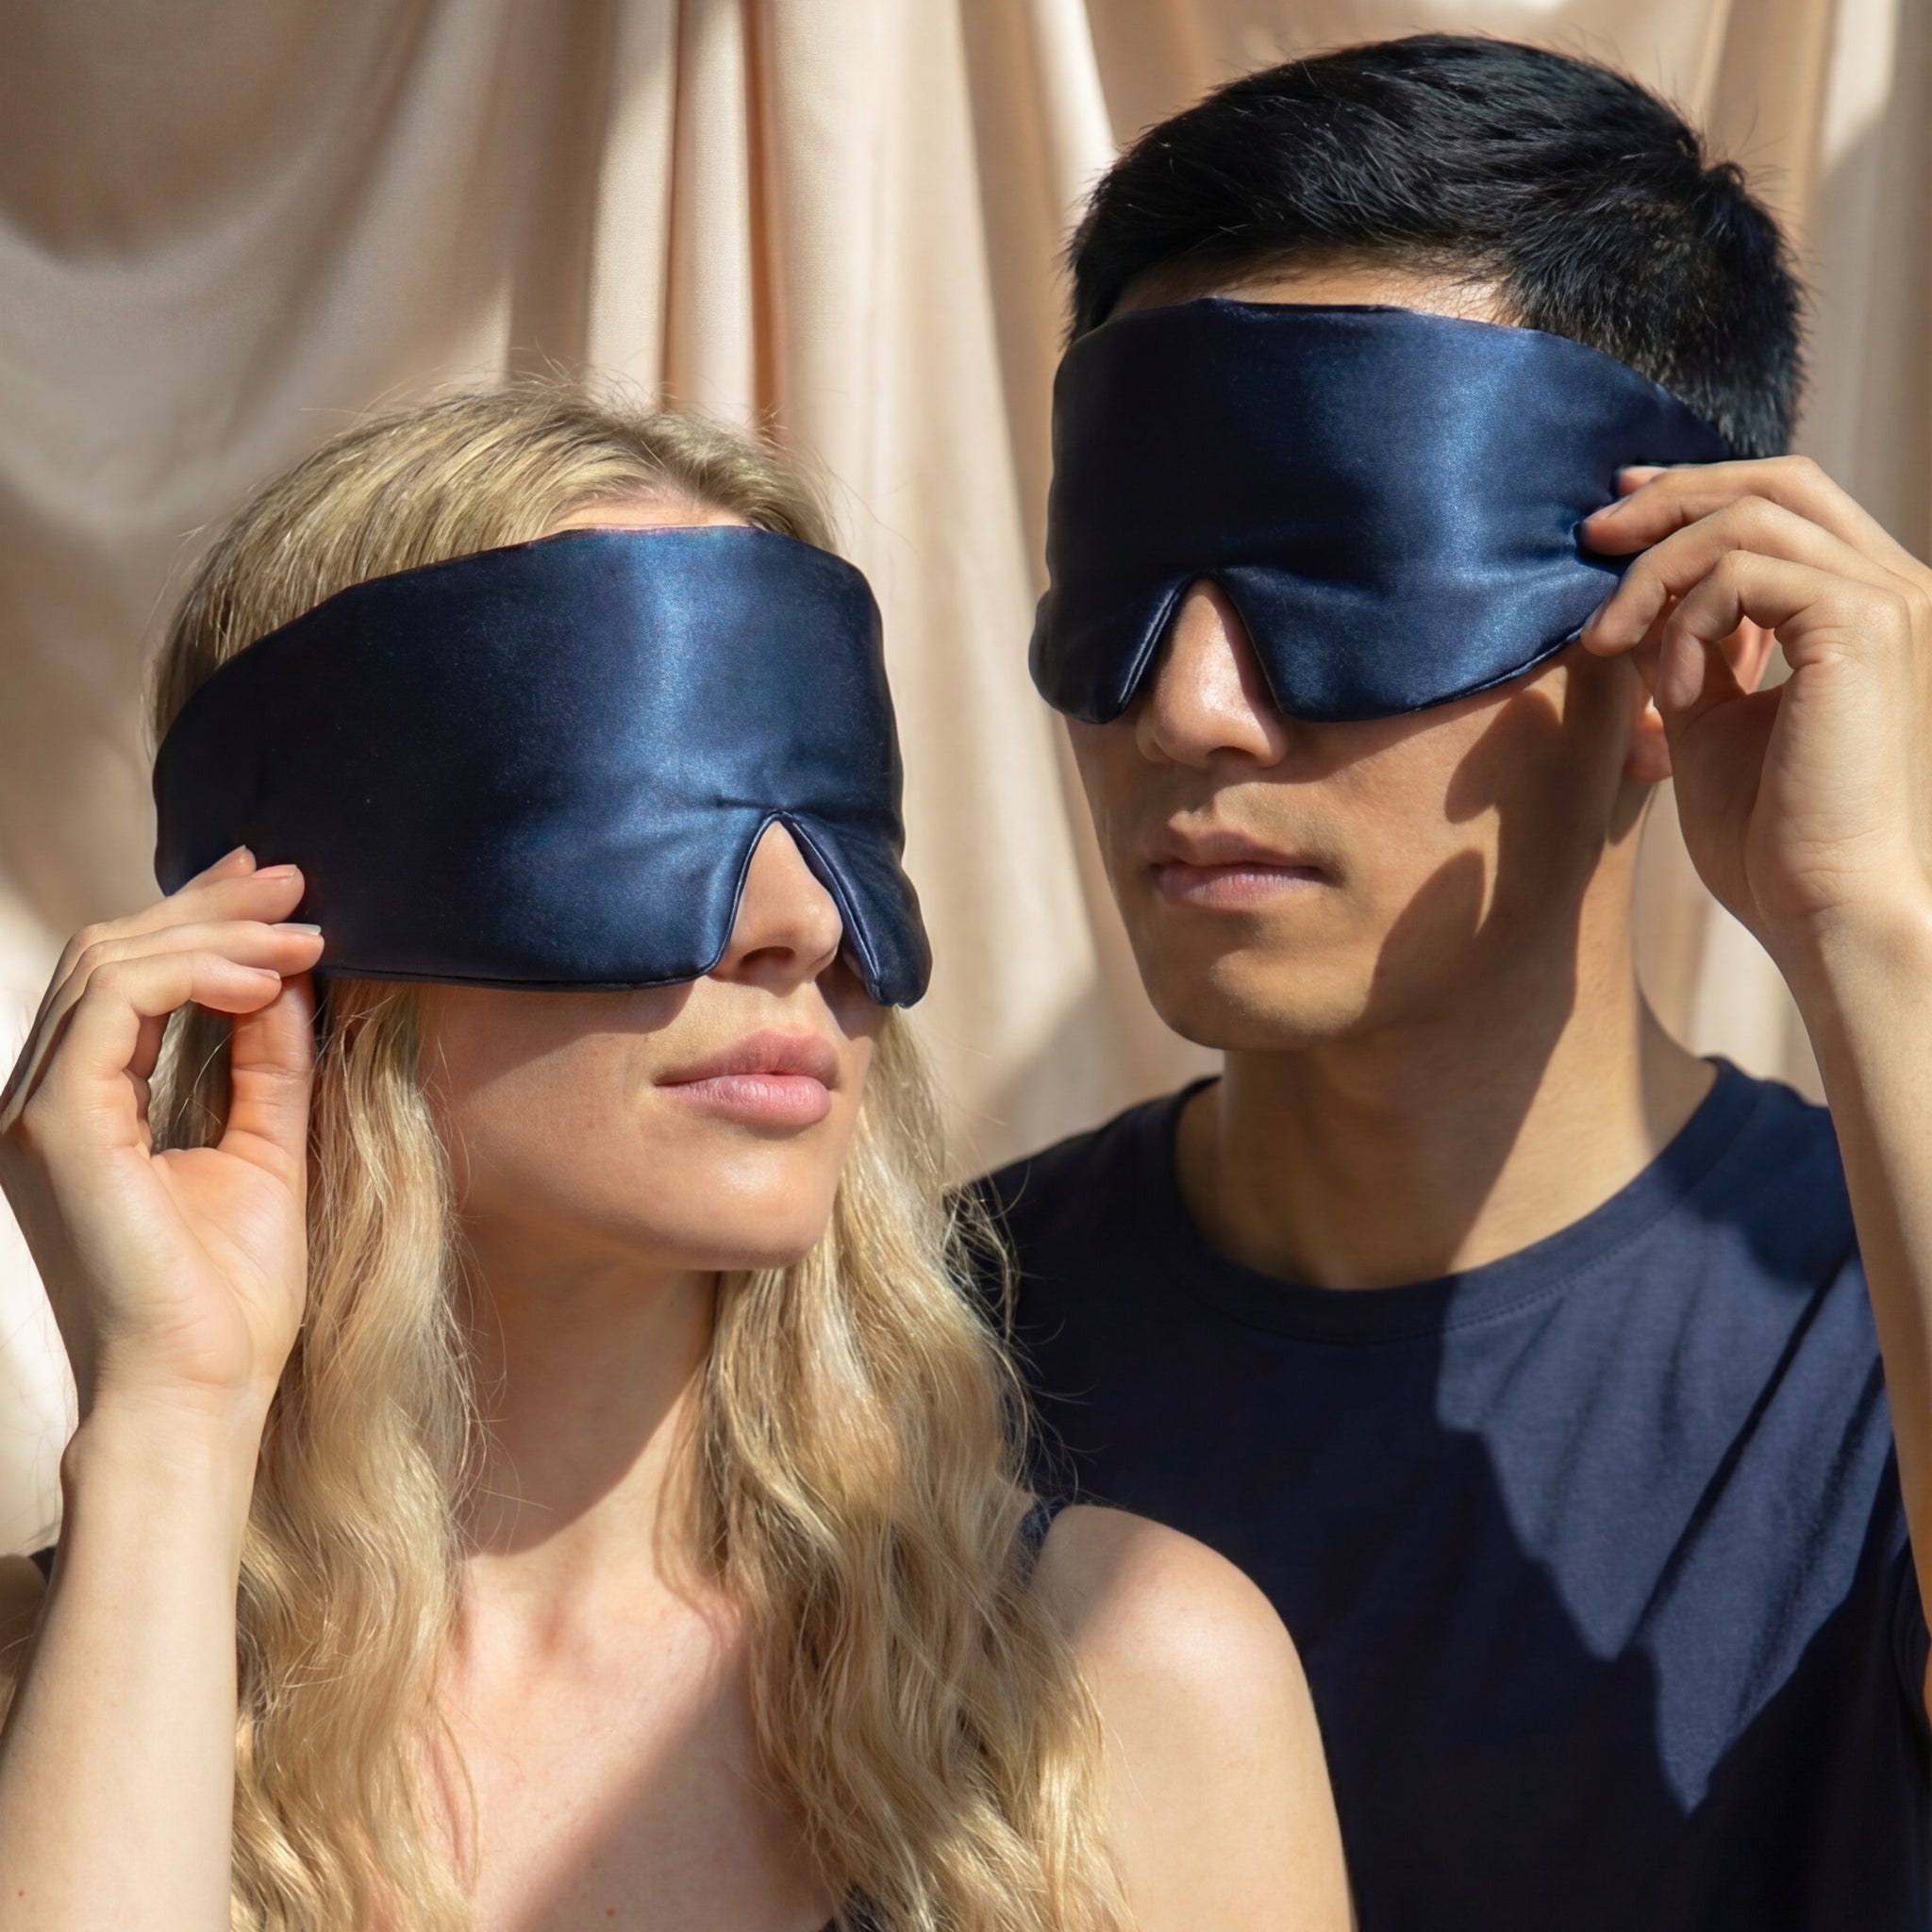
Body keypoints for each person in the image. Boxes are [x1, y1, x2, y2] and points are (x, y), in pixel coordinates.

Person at [0, 390, 1351, 1932]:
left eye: (836, 819)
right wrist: (169, 1424)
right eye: (640, 807)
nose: (806, 925)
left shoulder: (1122, 1690)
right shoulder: (50, 1704)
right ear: (289, 932)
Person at [981, 34, 1932, 1932]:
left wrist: (1872, 929)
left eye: (1351, 579)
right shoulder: (897, 1366)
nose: (1191, 709)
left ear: (1673, 635)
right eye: (1131, 584)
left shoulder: (1868, 1335)